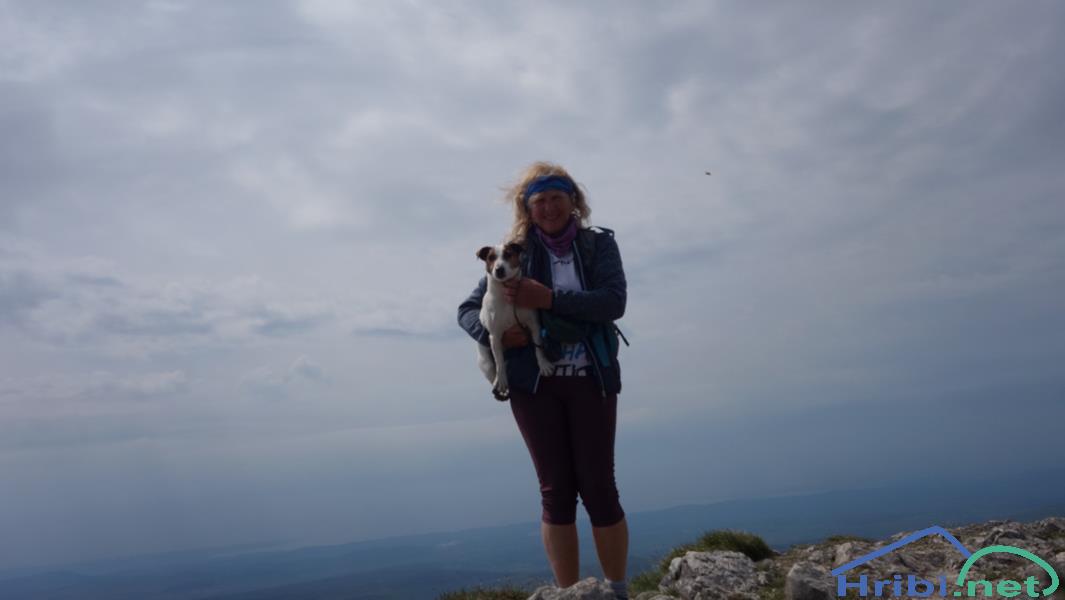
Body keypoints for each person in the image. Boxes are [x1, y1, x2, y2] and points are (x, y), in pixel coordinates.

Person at [456, 162, 630, 599]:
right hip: (534, 385)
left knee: (599, 487)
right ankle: (570, 594)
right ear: (528, 209)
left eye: (557, 198)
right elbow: (468, 311)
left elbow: (613, 302)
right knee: (556, 491)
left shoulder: (597, 246)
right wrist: (499, 335)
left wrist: (548, 298)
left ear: (574, 201)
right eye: (540, 201)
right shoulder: (515, 254)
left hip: (591, 376)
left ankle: (617, 590)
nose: (549, 208)